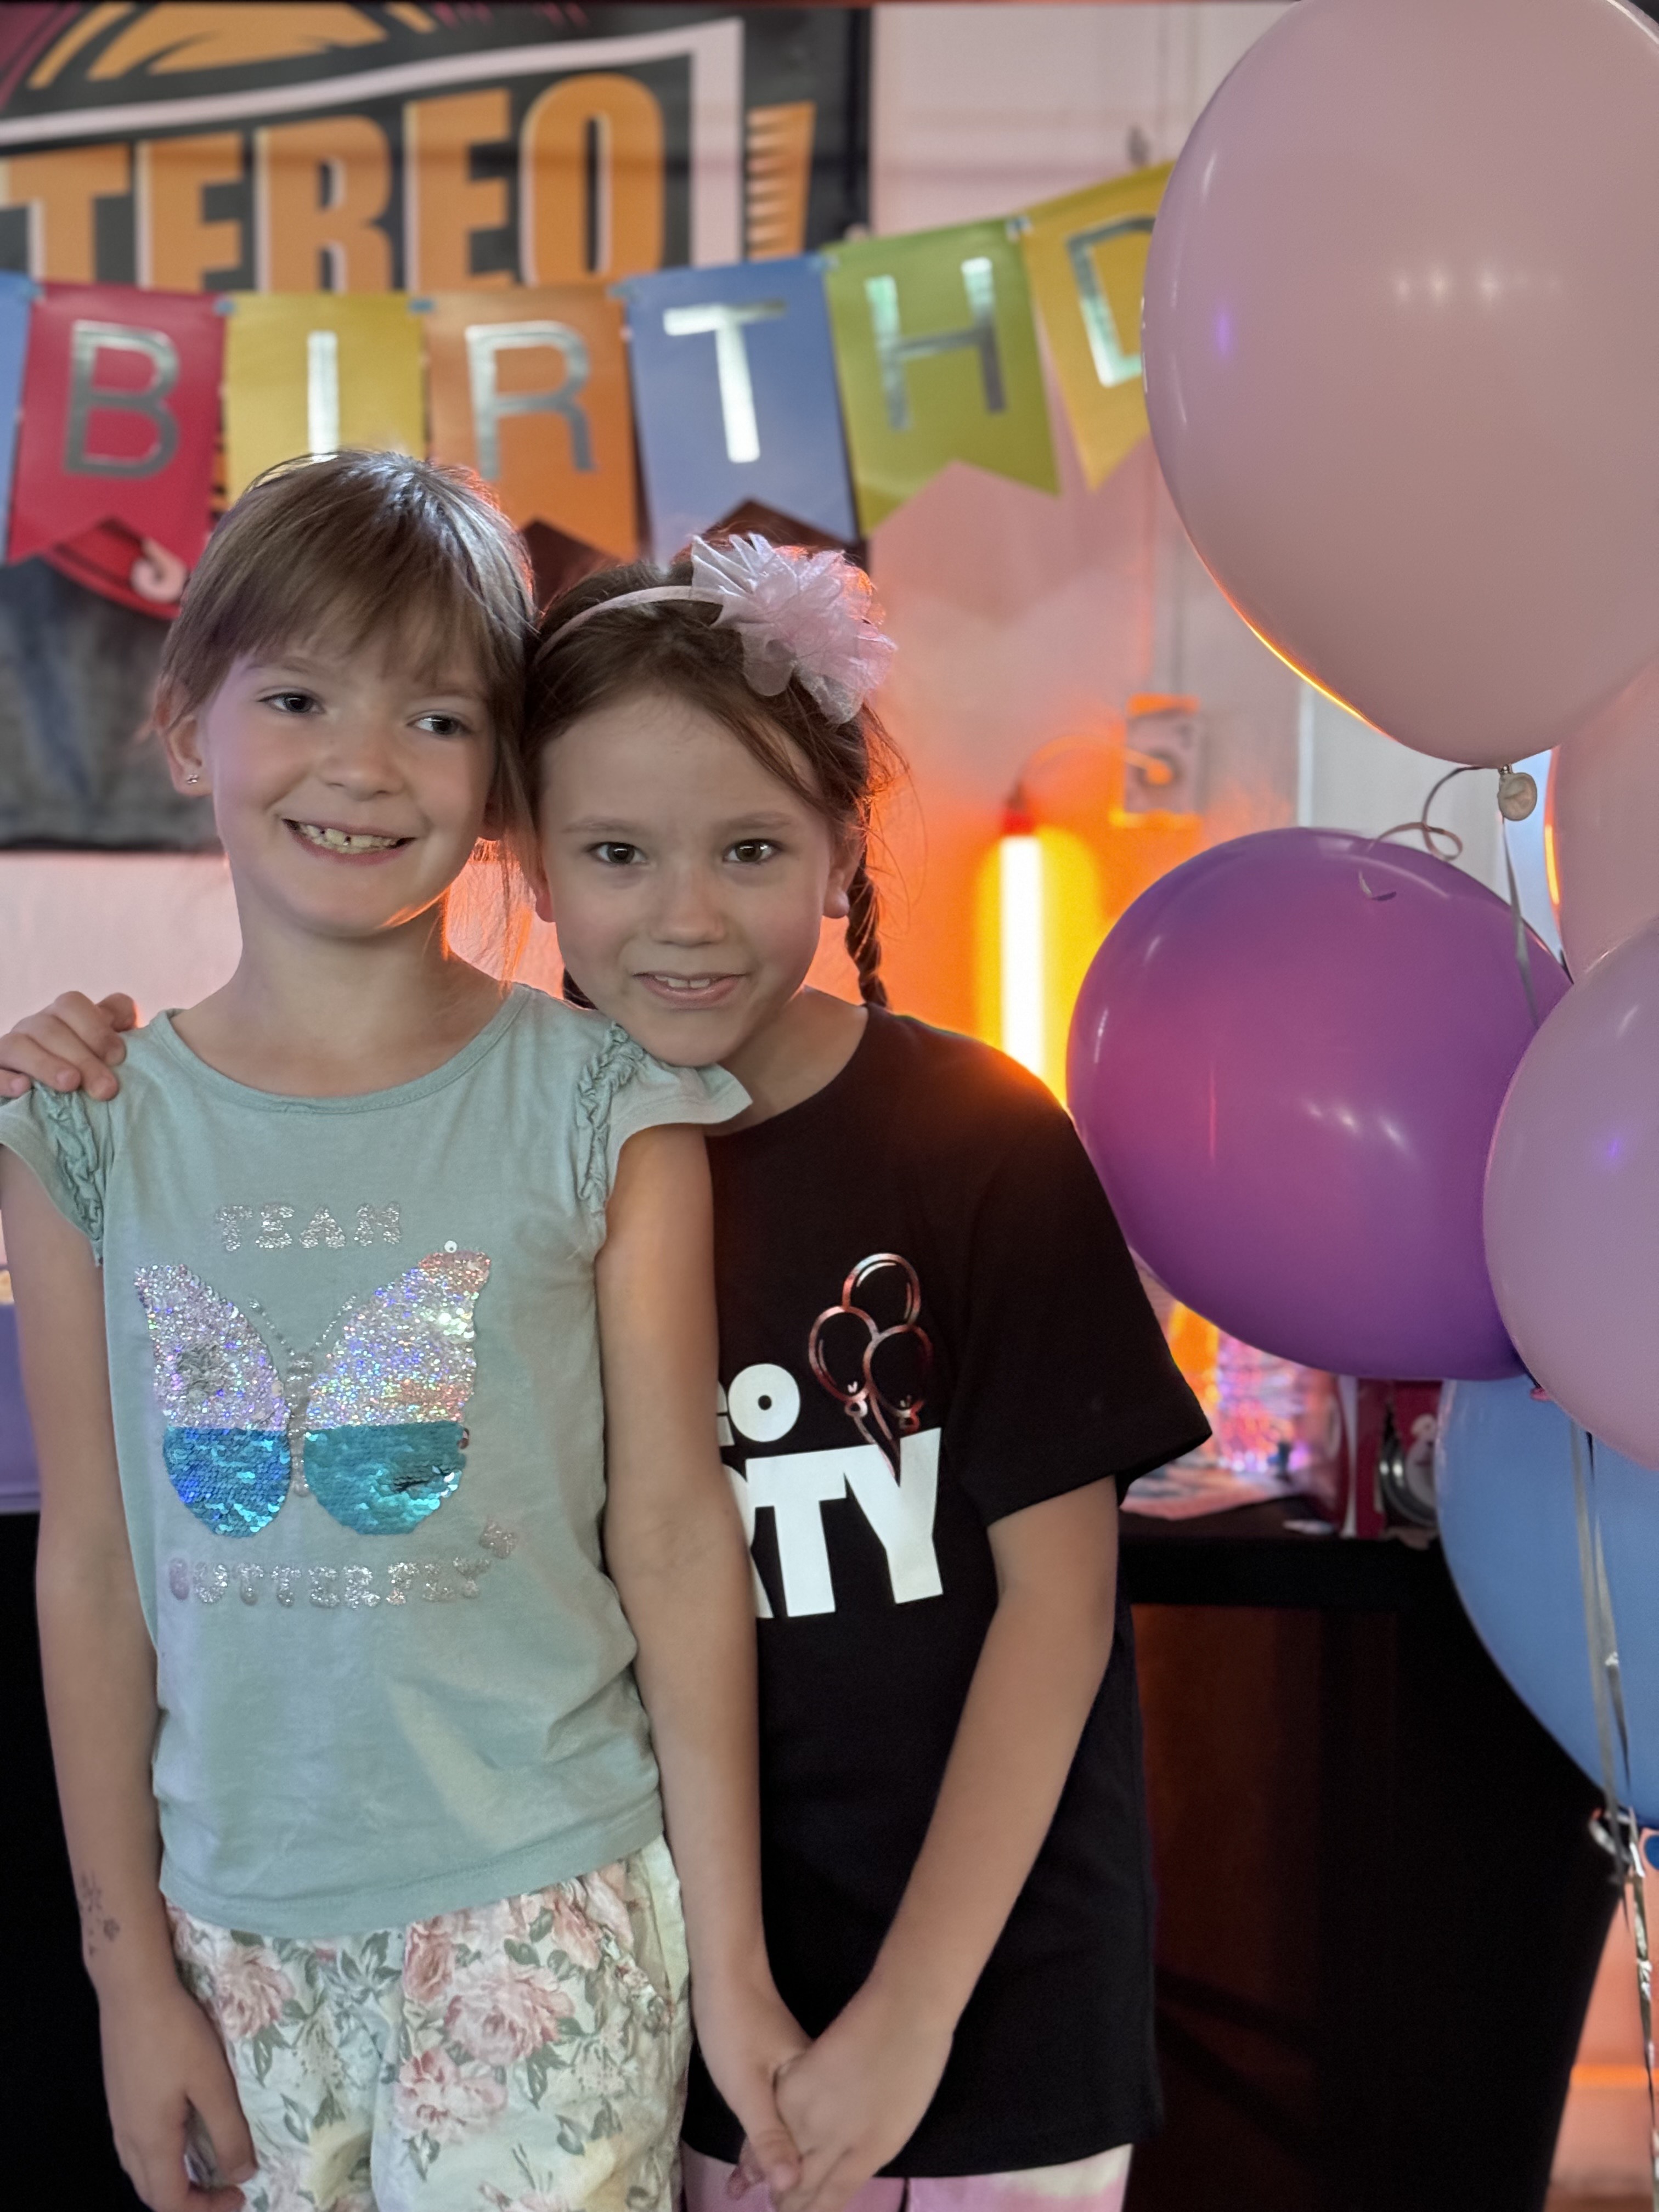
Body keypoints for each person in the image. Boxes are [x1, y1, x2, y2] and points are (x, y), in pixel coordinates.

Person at [5, 533, 1210, 2212]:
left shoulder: (953, 1142)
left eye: (750, 848)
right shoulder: (537, 1133)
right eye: (620, 852)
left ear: (842, 848)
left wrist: (907, 2013)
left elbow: (1055, 1608)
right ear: (537, 850)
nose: (686, 915)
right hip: (667, 1982)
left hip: (961, 2007)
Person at [0, 463, 802, 2212]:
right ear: (185, 724)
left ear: (499, 779)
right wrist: (126, 1976)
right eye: (298, 699)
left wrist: (732, 1967)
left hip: (545, 1901)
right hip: (230, 1930)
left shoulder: (604, 1104)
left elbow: (678, 1540)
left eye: (435, 718)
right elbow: (94, 1567)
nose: (364, 766)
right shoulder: (81, 1125)